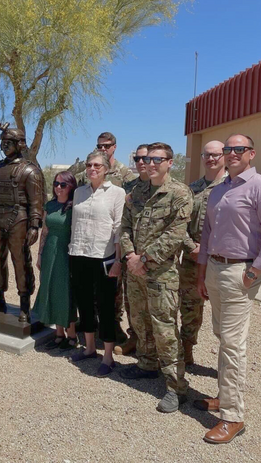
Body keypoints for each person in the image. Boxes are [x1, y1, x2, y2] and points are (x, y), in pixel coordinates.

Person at [196, 134, 261, 444]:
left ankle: (233, 417)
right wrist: (201, 270)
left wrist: (254, 272)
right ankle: (224, 396)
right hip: (214, 271)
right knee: (222, 337)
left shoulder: (258, 186)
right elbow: (207, 232)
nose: (231, 153)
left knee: (232, 345)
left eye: (238, 149)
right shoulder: (218, 190)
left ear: (251, 153)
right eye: (227, 149)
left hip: (240, 272)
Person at [120, 142, 192, 413]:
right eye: (146, 159)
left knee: (165, 330)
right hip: (135, 271)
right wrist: (129, 256)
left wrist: (144, 259)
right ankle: (147, 365)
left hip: (161, 273)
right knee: (139, 321)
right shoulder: (136, 191)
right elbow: (125, 227)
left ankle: (176, 387)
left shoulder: (179, 193)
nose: (150, 164)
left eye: (157, 160)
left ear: (170, 162)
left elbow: (175, 235)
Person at [0, 125, 44, 323]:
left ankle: (24, 303)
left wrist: (34, 225)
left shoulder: (30, 171)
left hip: (19, 219)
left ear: (19, 144)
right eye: (3, 143)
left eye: (9, 143)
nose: (5, 146)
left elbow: (36, 202)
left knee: (20, 261)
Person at [68, 150, 124, 377]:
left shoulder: (116, 193)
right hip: (79, 254)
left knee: (106, 306)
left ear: (106, 169)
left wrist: (119, 261)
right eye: (89, 165)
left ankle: (108, 356)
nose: (92, 169)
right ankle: (90, 348)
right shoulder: (79, 192)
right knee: (84, 303)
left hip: (104, 256)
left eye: (97, 166)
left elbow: (119, 228)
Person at [179, 140, 225, 365]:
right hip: (193, 258)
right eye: (207, 154)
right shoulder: (193, 188)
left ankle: (227, 366)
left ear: (224, 156)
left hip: (221, 258)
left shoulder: (233, 186)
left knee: (225, 314)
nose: (211, 158)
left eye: (216, 154)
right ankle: (186, 351)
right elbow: (180, 224)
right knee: (190, 308)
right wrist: (190, 246)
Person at [34, 171, 78, 350]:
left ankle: (72, 335)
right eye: (56, 183)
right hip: (50, 251)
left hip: (66, 253)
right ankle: (58, 332)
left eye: (63, 184)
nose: (58, 187)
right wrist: (39, 254)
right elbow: (44, 231)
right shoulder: (50, 205)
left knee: (65, 292)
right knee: (50, 288)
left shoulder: (75, 207)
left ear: (71, 187)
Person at [114, 143, 150, 356]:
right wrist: (129, 255)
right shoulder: (129, 189)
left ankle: (156, 351)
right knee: (133, 303)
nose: (142, 162)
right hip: (131, 257)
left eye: (146, 158)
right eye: (137, 159)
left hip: (155, 260)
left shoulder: (169, 189)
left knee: (157, 308)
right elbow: (123, 225)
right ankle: (135, 339)